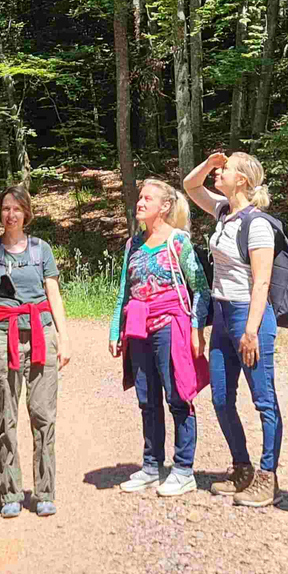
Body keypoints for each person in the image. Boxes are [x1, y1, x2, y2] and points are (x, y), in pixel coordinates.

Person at [183, 151, 283, 508]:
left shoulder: (257, 224)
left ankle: (268, 477)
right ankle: (242, 468)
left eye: (224, 170)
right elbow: (189, 185)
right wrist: (209, 164)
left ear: (241, 180)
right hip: (222, 314)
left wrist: (252, 330)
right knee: (221, 398)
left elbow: (262, 281)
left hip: (248, 315)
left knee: (263, 399)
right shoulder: (224, 212)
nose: (218, 173)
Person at [106, 178, 209, 498]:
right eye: (139, 197)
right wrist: (115, 329)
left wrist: (196, 330)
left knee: (178, 395)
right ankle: (151, 467)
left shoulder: (178, 241)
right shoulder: (132, 245)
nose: (140, 202)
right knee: (147, 398)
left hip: (171, 324)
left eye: (147, 198)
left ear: (164, 206)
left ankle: (183, 469)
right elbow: (125, 289)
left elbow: (201, 289)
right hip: (138, 327)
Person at [0, 185, 72, 517]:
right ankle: (10, 493)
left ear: (26, 213)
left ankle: (44, 491)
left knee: (43, 414)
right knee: (6, 416)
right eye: (5, 208)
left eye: (17, 208)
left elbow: (53, 294)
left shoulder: (41, 249)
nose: (10, 214)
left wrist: (64, 337)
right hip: (2, 333)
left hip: (41, 332)